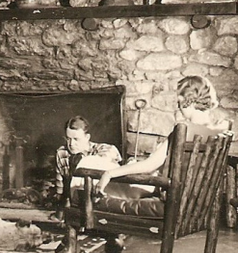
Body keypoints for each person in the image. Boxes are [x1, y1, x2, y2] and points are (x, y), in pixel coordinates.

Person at [95, 75, 231, 199]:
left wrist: (109, 173)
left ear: (188, 100)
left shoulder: (183, 131)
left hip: (170, 201)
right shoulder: (218, 131)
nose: (178, 106)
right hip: (195, 203)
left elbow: (149, 165)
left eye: (179, 101)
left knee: (103, 189)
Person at [51, 115, 123, 221]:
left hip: (101, 198)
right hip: (75, 199)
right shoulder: (62, 153)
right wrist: (61, 206)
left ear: (87, 137)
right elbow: (60, 186)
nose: (71, 144)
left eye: (76, 139)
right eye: (68, 139)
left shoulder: (102, 149)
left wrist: (88, 160)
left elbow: (111, 152)